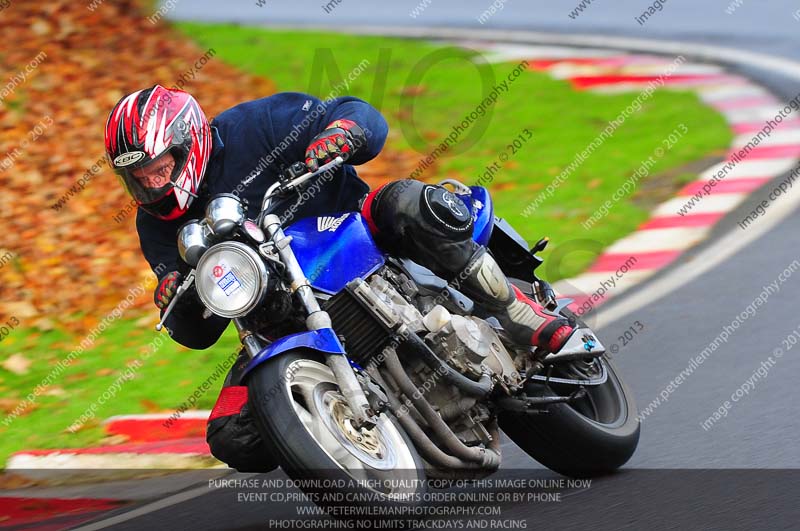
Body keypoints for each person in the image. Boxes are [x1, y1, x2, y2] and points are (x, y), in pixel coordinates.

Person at [104, 85, 576, 472]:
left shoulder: (259, 124)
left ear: (190, 140)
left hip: (356, 239)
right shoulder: (157, 225)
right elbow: (194, 326)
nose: (153, 184)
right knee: (233, 435)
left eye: (160, 168)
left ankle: (516, 308)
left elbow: (360, 115)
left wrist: (341, 132)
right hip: (280, 315)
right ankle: (363, 443)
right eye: (140, 178)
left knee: (405, 201)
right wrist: (172, 293)